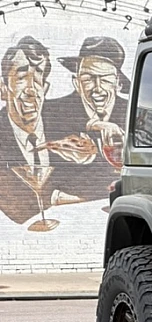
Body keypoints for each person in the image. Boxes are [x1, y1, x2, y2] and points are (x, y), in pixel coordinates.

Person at [0, 37, 83, 224]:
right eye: (21, 77)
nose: (31, 90)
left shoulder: (66, 123)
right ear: (3, 89)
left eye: (38, 78)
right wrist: (55, 198)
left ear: (45, 88)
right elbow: (14, 206)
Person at [43, 36, 129, 198]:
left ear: (119, 84)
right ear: (76, 83)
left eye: (105, 79)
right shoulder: (51, 112)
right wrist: (92, 125)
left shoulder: (135, 113)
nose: (98, 88)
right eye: (88, 78)